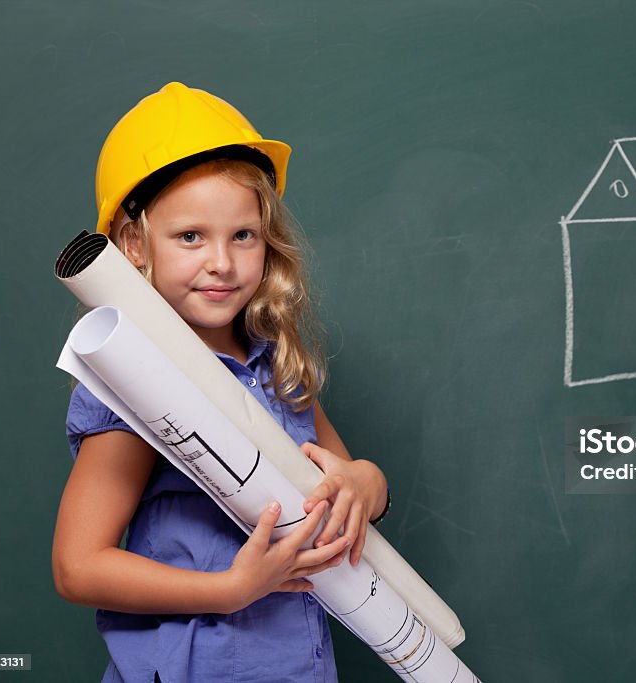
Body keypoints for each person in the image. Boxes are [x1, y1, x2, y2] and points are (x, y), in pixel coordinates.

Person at [51, 82, 389, 683]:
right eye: (190, 237)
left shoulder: (276, 365)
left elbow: (344, 479)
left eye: (243, 235)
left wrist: (368, 482)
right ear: (133, 243)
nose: (222, 263)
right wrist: (230, 589)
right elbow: (78, 566)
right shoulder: (135, 384)